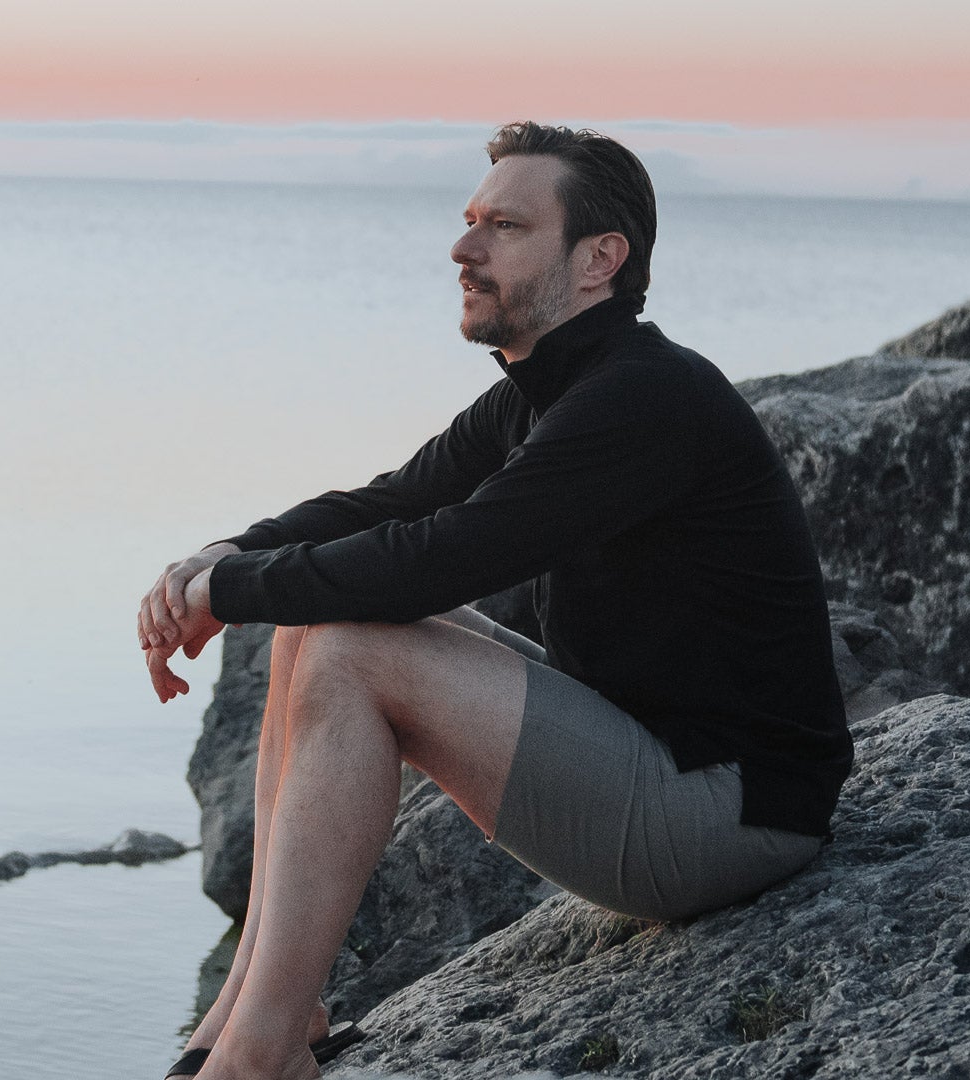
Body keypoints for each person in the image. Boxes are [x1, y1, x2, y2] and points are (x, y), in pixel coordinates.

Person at [136, 121, 852, 1080]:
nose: (463, 249)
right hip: (655, 752)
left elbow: (440, 557)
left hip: (727, 813)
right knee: (317, 619)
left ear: (600, 259)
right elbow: (394, 499)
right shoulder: (552, 385)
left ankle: (256, 1058)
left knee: (357, 647)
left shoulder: (641, 399)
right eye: (471, 221)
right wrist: (224, 556)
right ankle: (264, 1011)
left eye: (504, 227)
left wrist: (231, 590)